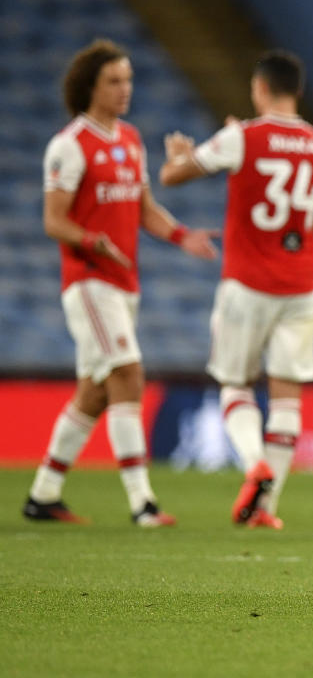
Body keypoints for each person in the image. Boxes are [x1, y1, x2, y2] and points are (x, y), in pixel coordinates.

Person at [23, 39, 218, 526]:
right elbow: (53, 220)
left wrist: (180, 235)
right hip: (89, 282)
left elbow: (143, 209)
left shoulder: (130, 139)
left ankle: (43, 494)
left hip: (124, 282)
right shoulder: (70, 145)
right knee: (128, 374)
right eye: (114, 80)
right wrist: (92, 241)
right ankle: (142, 503)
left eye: (128, 79)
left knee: (94, 390)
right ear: (90, 86)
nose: (125, 88)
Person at [159, 50, 313, 529]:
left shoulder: (241, 136)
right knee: (287, 397)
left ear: (259, 88)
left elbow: (173, 177)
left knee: (235, 384)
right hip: (302, 285)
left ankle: (254, 462)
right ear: (297, 91)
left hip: (249, 283)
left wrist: (179, 155)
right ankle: (267, 507)